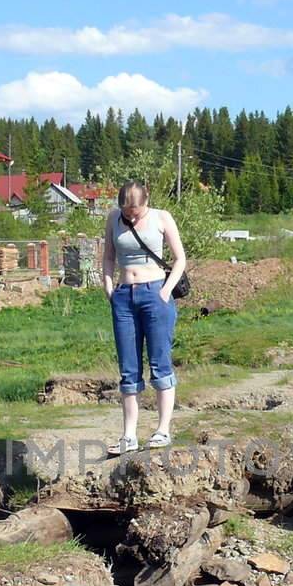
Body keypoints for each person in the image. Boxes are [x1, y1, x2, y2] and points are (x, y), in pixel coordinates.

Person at [102, 181, 186, 454]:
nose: (132, 216)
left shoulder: (162, 218)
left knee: (160, 363)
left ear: (146, 202)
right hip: (124, 296)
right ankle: (128, 436)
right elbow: (108, 256)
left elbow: (180, 259)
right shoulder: (113, 218)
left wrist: (165, 291)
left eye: (136, 211)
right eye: (127, 211)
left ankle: (162, 430)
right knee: (128, 368)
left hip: (155, 294)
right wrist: (108, 286)